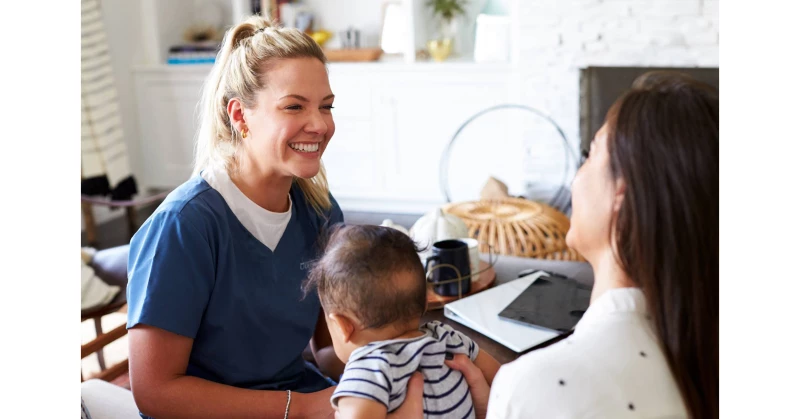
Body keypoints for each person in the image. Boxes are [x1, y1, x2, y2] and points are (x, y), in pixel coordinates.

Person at [125, 16, 422, 419]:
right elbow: (155, 392)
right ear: (240, 116)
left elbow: (329, 349)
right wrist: (299, 408)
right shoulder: (184, 227)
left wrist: (399, 361)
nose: (319, 124)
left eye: (326, 106)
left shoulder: (319, 212)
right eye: (294, 106)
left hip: (298, 396)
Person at [446, 71, 719, 419]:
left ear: (621, 194)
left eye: (590, 154)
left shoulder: (535, 385)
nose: (579, 174)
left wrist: (515, 400)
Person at [303, 225, 501, 418]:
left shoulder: (367, 370)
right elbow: (504, 380)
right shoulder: (448, 337)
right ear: (424, 302)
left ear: (342, 326)